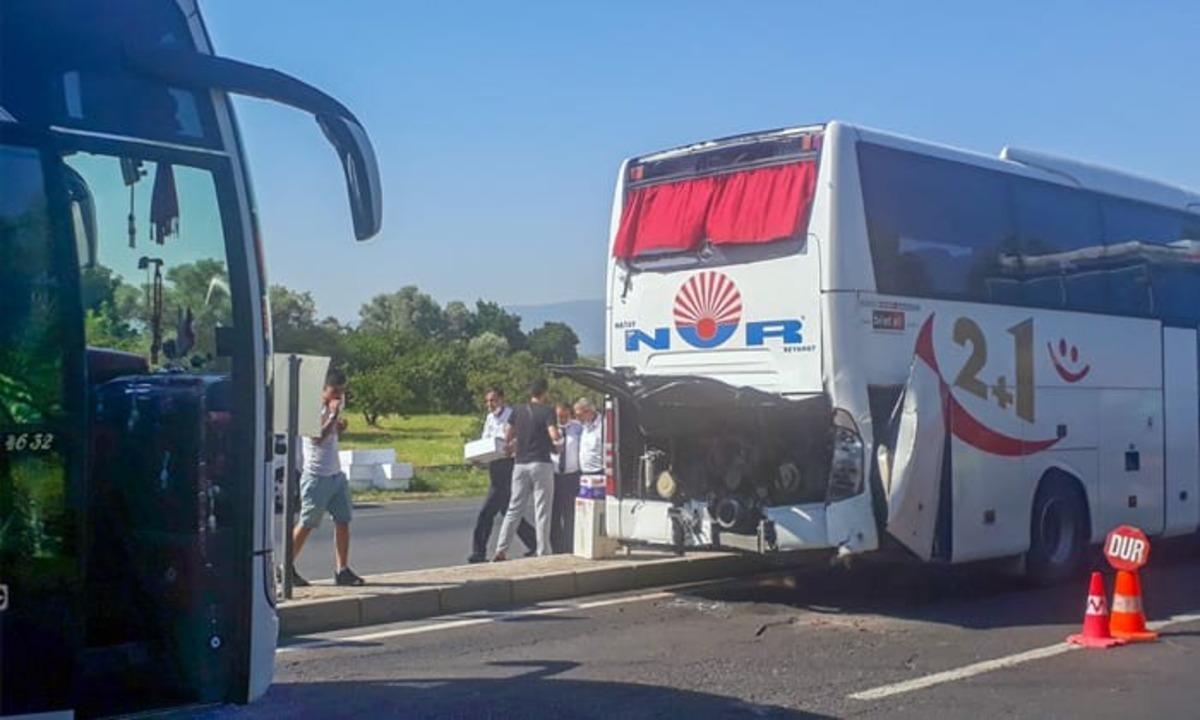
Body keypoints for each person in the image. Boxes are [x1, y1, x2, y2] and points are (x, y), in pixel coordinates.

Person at [288, 368, 365, 587]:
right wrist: (332, 416)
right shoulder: (311, 409)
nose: (338, 396)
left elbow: (330, 436)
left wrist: (339, 427)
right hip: (316, 476)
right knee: (307, 522)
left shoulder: (337, 405)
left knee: (343, 520)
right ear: (323, 389)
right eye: (334, 391)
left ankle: (342, 569)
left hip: (335, 473)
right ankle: (286, 567)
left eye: (341, 391)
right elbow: (316, 438)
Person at [468, 388, 537, 563]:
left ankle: (478, 552)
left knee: (486, 512)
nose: (490, 405)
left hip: (509, 465)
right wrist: (479, 458)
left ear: (502, 400)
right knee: (508, 510)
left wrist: (513, 445)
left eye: (493, 400)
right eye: (488, 401)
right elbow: (486, 441)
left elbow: (523, 436)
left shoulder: (513, 414)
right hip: (495, 465)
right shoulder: (490, 418)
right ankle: (535, 542)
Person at [494, 378, 560, 560]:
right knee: (542, 510)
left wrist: (513, 444)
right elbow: (553, 434)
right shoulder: (547, 411)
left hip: (520, 464)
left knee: (514, 508)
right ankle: (543, 551)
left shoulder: (517, 410)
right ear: (544, 393)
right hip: (541, 463)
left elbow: (507, 434)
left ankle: (501, 548)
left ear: (530, 393)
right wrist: (557, 442)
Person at [550, 402, 582, 553]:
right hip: (554, 475)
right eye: (558, 417)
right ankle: (557, 548)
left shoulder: (577, 427)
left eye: (564, 416)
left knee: (570, 513)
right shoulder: (550, 428)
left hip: (572, 476)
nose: (561, 419)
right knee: (554, 513)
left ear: (570, 414)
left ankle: (570, 545)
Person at [575, 397, 603, 477]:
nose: (577, 418)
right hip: (584, 474)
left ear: (588, 411)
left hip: (599, 474)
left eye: (579, 415)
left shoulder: (604, 426)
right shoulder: (583, 426)